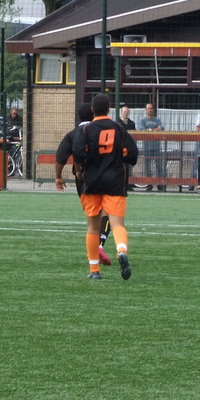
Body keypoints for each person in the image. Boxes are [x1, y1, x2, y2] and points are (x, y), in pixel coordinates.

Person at [71, 93, 138, 280]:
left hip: (92, 182)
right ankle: (121, 251)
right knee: (117, 225)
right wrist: (118, 157)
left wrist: (79, 170)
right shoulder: (119, 129)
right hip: (115, 182)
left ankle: (94, 271)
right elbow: (133, 154)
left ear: (93, 110)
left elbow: (78, 153)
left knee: (93, 228)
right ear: (109, 109)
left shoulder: (86, 130)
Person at [54, 103, 112, 268]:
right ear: (93, 114)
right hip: (104, 175)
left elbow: (60, 157)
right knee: (107, 212)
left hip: (83, 179)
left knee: (93, 215)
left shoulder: (73, 134)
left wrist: (58, 177)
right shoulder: (103, 132)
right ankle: (100, 245)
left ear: (78, 117)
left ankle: (94, 260)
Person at [138, 102, 164, 191]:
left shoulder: (157, 120)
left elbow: (161, 128)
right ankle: (149, 184)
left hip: (157, 147)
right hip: (147, 147)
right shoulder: (143, 120)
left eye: (151, 108)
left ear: (153, 110)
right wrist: (155, 130)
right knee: (147, 166)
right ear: (145, 110)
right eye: (148, 108)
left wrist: (150, 130)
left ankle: (160, 184)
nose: (149, 110)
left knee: (159, 166)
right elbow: (142, 130)